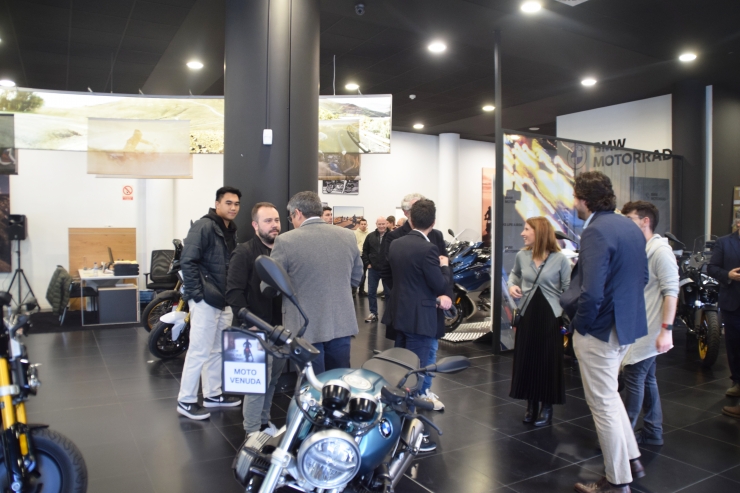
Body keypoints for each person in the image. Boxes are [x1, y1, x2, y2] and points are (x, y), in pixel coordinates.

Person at [560, 171, 648, 493]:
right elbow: (644, 278)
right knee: (610, 399)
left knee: (603, 405)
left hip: (599, 331)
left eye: (575, 198)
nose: (574, 204)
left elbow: (592, 292)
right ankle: (632, 461)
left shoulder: (595, 231)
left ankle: (616, 481)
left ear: (584, 199)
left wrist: (581, 325)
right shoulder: (630, 226)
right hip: (626, 326)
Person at [271, 191, 363, 374]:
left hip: (305, 328)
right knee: (339, 381)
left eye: (291, 217)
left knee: (312, 386)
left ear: (297, 213)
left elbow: (271, 285)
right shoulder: (347, 236)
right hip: (341, 323)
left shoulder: (285, 241)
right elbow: (356, 278)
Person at [386, 199, 452, 452]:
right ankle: (410, 433)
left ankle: (396, 425)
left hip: (399, 314)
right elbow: (438, 284)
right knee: (416, 374)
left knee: (401, 371)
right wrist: (444, 267)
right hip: (420, 318)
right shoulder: (428, 250)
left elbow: (395, 277)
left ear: (410, 219)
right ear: (433, 222)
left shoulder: (396, 243)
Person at [177, 186, 243, 420]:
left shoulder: (230, 230)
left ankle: (213, 395)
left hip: (223, 300)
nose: (233, 207)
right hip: (206, 299)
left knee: (216, 350)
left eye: (236, 204)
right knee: (198, 351)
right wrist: (196, 294)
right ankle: (185, 400)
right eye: (228, 203)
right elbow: (188, 260)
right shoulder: (204, 226)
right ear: (217, 204)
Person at [621, 201, 678, 444]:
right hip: (639, 327)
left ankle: (624, 437)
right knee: (647, 378)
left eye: (630, 219)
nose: (625, 225)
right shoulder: (642, 249)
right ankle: (653, 432)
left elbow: (671, 292)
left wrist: (666, 330)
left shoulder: (661, 252)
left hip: (651, 329)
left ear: (646, 221)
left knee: (634, 377)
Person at [226, 202, 285, 437]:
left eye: (277, 220)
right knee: (256, 384)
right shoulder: (244, 252)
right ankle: (252, 431)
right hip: (253, 328)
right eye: (268, 221)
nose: (274, 225)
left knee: (272, 380)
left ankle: (263, 421)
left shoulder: (283, 249)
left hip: (279, 329)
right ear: (255, 225)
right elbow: (233, 292)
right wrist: (248, 321)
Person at [507, 217, 571, 427]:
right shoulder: (522, 256)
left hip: (550, 316)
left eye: (526, 229)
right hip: (527, 313)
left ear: (539, 232)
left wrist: (564, 310)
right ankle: (530, 404)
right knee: (527, 359)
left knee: (547, 362)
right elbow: (514, 275)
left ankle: (547, 407)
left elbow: (569, 288)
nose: (522, 233)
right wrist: (512, 286)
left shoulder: (560, 259)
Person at [707, 209, 740, 420]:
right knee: (734, 345)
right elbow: (711, 267)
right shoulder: (724, 243)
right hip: (733, 303)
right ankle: (737, 382)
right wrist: (727, 275)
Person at [362, 216, 389, 323]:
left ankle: (389, 315)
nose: (381, 226)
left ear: (386, 224)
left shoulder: (391, 236)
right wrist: (367, 263)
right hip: (373, 269)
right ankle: (373, 313)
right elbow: (365, 251)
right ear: (376, 224)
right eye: (379, 224)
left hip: (387, 270)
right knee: (371, 292)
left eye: (383, 224)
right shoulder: (370, 236)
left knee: (389, 293)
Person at [354, 218, 370, 297]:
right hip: (357, 256)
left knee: (363, 274)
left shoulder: (369, 234)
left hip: (365, 256)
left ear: (366, 225)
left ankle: (361, 291)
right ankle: (353, 291)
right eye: (362, 224)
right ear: (359, 225)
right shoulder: (355, 233)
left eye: (365, 224)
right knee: (356, 274)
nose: (363, 225)